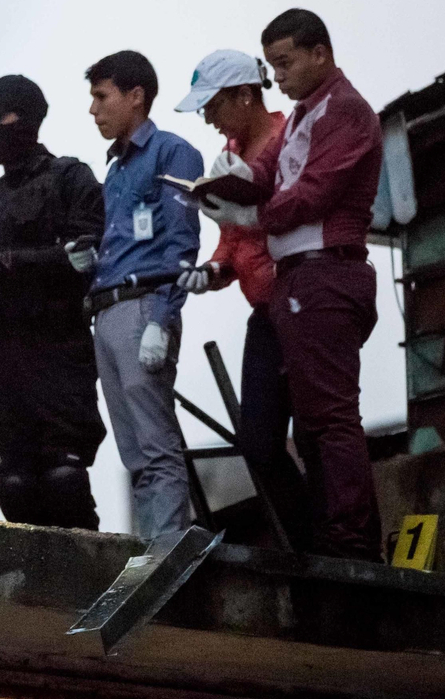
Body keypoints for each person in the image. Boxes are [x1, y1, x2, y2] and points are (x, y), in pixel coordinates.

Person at [195, 10, 383, 560]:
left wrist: (249, 213)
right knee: (314, 425)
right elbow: (266, 173)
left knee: (329, 418)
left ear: (319, 53)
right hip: (302, 277)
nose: (277, 76)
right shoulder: (304, 113)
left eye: (284, 63)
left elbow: (314, 193)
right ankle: (333, 539)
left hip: (326, 271)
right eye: (272, 65)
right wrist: (226, 183)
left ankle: (351, 541)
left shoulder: (346, 110)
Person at [0, 76, 106, 529]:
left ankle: (90, 568)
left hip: (60, 351)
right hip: (6, 359)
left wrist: (12, 262)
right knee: (14, 483)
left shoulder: (70, 178)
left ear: (28, 120)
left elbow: (86, 257)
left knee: (63, 478)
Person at [172, 49, 314, 550]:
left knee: (318, 433)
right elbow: (235, 239)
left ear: (245, 95)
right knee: (258, 443)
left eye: (213, 105)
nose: (208, 118)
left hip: (305, 303)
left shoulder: (289, 139)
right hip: (266, 313)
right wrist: (214, 269)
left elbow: (299, 214)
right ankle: (307, 546)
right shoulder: (230, 152)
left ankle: (340, 547)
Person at [82, 50, 203, 540]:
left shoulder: (172, 152)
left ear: (136, 96)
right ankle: (154, 548)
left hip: (143, 306)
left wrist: (162, 316)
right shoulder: (116, 168)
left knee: (155, 445)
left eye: (101, 96)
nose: (93, 109)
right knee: (134, 453)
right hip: (109, 311)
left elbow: (182, 243)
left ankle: (168, 552)